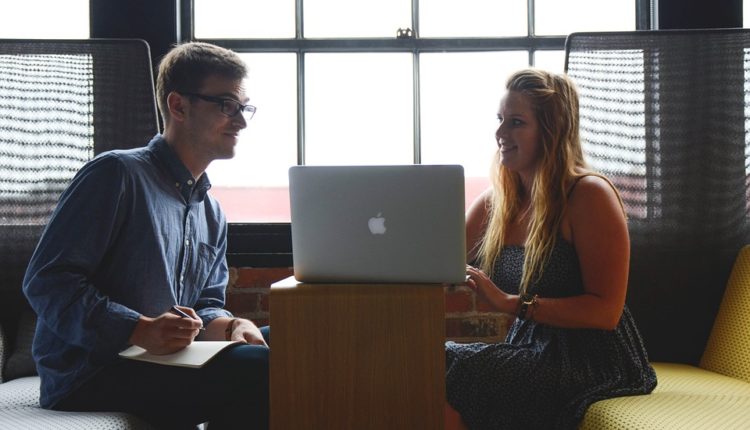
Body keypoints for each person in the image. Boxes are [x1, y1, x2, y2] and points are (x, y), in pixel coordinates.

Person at [23, 42, 269, 429]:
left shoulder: (211, 211)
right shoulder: (116, 175)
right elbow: (47, 282)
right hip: (91, 371)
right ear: (178, 106)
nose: (241, 121)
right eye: (226, 104)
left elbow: (206, 302)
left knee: (289, 345)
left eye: (243, 107)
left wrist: (229, 325)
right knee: (261, 369)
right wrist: (137, 328)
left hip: (165, 359)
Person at [445, 69, 657, 430]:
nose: (500, 134)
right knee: (429, 364)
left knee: (450, 372)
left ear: (550, 130)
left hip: (592, 360)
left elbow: (606, 312)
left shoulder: (589, 195)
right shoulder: (498, 203)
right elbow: (436, 262)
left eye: (516, 123)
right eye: (500, 120)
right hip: (527, 349)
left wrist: (511, 303)